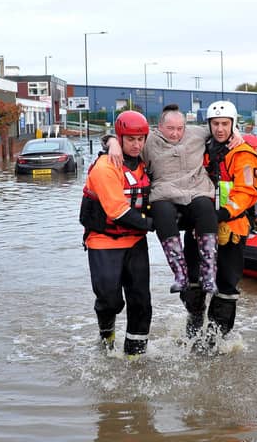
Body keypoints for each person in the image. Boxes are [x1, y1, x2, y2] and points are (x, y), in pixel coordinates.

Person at [105, 105, 243, 295]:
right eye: (170, 129)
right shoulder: (148, 140)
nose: (176, 133)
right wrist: (112, 142)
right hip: (164, 192)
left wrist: (236, 131)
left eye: (180, 128)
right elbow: (126, 139)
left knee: (205, 208)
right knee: (161, 211)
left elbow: (219, 129)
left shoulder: (196, 133)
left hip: (197, 190)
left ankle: (209, 273)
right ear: (159, 126)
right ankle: (180, 273)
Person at [181, 101, 257, 343]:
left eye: (225, 124)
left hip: (232, 227)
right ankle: (193, 331)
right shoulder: (200, 149)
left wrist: (222, 215)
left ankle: (216, 341)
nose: (219, 129)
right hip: (199, 225)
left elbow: (246, 192)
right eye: (215, 124)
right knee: (192, 282)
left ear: (233, 124)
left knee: (226, 287)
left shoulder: (244, 155)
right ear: (208, 125)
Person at [79, 110, 155, 358]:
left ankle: (135, 356)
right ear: (120, 139)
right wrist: (154, 224)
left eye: (140, 139)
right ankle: (106, 335)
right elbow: (118, 211)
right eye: (130, 139)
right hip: (104, 241)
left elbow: (180, 141)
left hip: (135, 242)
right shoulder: (105, 167)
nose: (136, 144)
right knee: (110, 300)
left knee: (141, 302)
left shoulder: (145, 161)